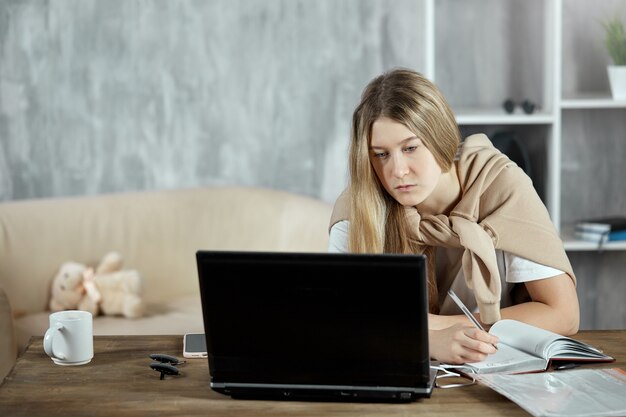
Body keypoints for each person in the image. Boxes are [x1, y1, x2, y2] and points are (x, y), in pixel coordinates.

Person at [328, 68, 579, 365]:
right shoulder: (360, 206)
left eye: (410, 148)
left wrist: (433, 326)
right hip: (397, 366)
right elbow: (339, 320)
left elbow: (563, 314)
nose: (397, 171)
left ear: (440, 138)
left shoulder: (501, 187)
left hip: (496, 366)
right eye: (380, 154)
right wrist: (429, 342)